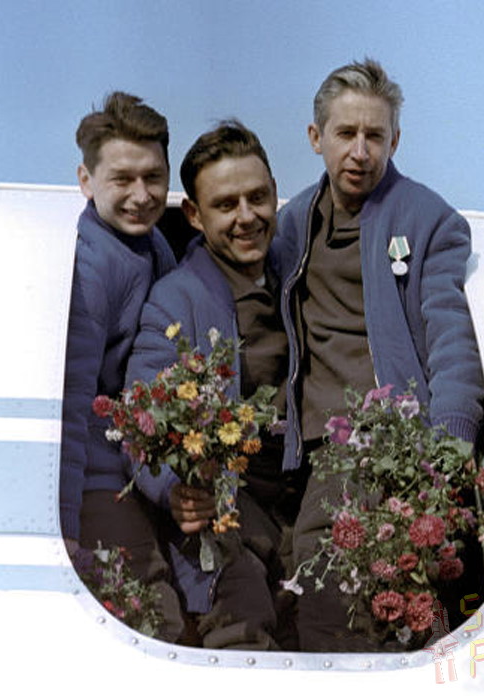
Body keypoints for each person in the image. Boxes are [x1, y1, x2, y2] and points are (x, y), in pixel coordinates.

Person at [272, 59, 484, 651]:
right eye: (346, 133)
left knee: (325, 589)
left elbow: (451, 337)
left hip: (379, 443)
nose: (360, 151)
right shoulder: (291, 226)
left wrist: (449, 441)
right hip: (303, 451)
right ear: (316, 137)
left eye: (375, 135)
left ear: (395, 141)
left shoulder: (429, 220)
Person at [124, 120, 305, 650]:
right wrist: (173, 490)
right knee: (241, 621)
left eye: (258, 198)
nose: (246, 217)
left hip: (302, 498)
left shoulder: (301, 280)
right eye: (225, 205)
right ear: (194, 215)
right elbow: (140, 418)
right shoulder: (175, 301)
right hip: (227, 503)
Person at [59, 91, 185, 642]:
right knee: (155, 616)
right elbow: (71, 400)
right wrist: (66, 524)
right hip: (98, 481)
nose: (141, 195)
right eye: (122, 179)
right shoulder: (91, 264)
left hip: (138, 473)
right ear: (86, 181)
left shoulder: (155, 247)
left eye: (153, 177)